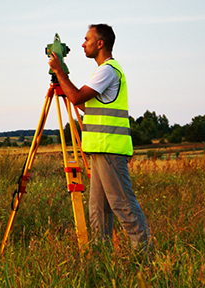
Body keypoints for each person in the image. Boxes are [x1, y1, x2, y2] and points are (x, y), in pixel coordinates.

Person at [48, 23, 151, 252]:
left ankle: (145, 258)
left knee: (123, 206)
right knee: (99, 210)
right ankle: (102, 259)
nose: (83, 44)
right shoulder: (103, 71)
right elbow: (86, 105)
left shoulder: (107, 70)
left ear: (100, 43)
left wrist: (59, 72)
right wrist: (63, 80)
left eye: (87, 39)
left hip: (110, 150)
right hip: (100, 151)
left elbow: (75, 98)